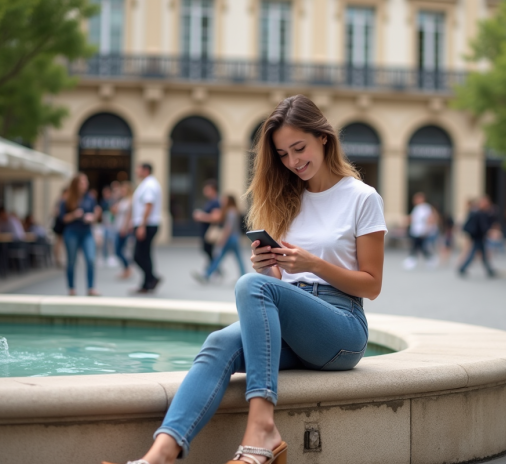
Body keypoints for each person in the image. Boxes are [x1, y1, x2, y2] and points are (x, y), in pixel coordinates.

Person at [105, 95, 387, 464]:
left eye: (298, 148)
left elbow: (372, 285)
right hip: (291, 318)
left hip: (341, 327)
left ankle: (262, 428)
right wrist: (268, 266)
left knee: (249, 286)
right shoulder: (288, 199)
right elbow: (277, 282)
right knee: (219, 342)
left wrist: (313, 264)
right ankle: (158, 456)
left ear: (323, 137)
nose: (293, 162)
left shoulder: (362, 198)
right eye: (283, 154)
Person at [60, 173, 101, 296]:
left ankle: (91, 288)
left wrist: (93, 217)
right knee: (72, 261)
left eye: (86, 182)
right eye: (82, 182)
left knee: (91, 259)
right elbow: (62, 218)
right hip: (72, 232)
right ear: (76, 184)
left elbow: (96, 215)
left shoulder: (90, 198)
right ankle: (71, 288)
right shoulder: (67, 199)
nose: (85, 184)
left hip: (87, 232)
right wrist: (74, 215)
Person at [192, 194, 246, 283]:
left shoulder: (230, 212)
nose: (222, 201)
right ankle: (243, 276)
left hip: (230, 238)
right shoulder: (234, 211)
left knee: (219, 257)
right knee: (237, 258)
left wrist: (222, 239)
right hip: (235, 237)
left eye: (225, 200)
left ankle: (206, 274)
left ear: (229, 201)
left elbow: (228, 228)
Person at [130, 163, 162, 294]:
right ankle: (147, 283)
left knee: (138, 255)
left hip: (147, 224)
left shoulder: (149, 185)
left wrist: (142, 225)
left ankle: (151, 278)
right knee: (145, 254)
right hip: (146, 224)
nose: (136, 171)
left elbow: (149, 205)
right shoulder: (148, 184)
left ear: (146, 170)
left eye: (139, 168)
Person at [459, 195, 496, 277]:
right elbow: (483, 226)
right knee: (474, 253)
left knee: (482, 254)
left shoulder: (480, 211)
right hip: (478, 236)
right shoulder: (479, 213)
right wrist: (489, 232)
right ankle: (462, 268)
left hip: (478, 236)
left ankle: (489, 270)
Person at [193, 179, 222, 275]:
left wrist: (201, 216)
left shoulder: (215, 202)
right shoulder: (210, 201)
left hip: (210, 231)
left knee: (208, 249)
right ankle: (214, 269)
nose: (205, 191)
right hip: (206, 230)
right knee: (207, 250)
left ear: (213, 189)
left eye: (207, 189)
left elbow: (215, 218)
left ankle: (212, 270)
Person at [403, 192, 435, 270]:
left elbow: (430, 219)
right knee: (419, 247)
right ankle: (429, 259)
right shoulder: (417, 208)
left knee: (418, 246)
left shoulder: (426, 208)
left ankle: (412, 261)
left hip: (422, 231)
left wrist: (426, 229)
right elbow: (413, 218)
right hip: (416, 231)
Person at [112, 181, 134, 279]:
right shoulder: (122, 201)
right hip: (118, 227)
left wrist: (124, 228)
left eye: (123, 190)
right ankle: (126, 269)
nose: (122, 191)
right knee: (120, 250)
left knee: (118, 250)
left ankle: (127, 267)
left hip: (123, 229)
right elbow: (114, 211)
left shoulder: (130, 201)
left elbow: (129, 216)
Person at [100, 185, 118, 268]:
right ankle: (105, 257)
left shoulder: (112, 201)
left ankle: (112, 256)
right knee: (105, 241)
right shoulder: (103, 201)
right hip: (105, 223)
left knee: (112, 240)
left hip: (111, 223)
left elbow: (114, 211)